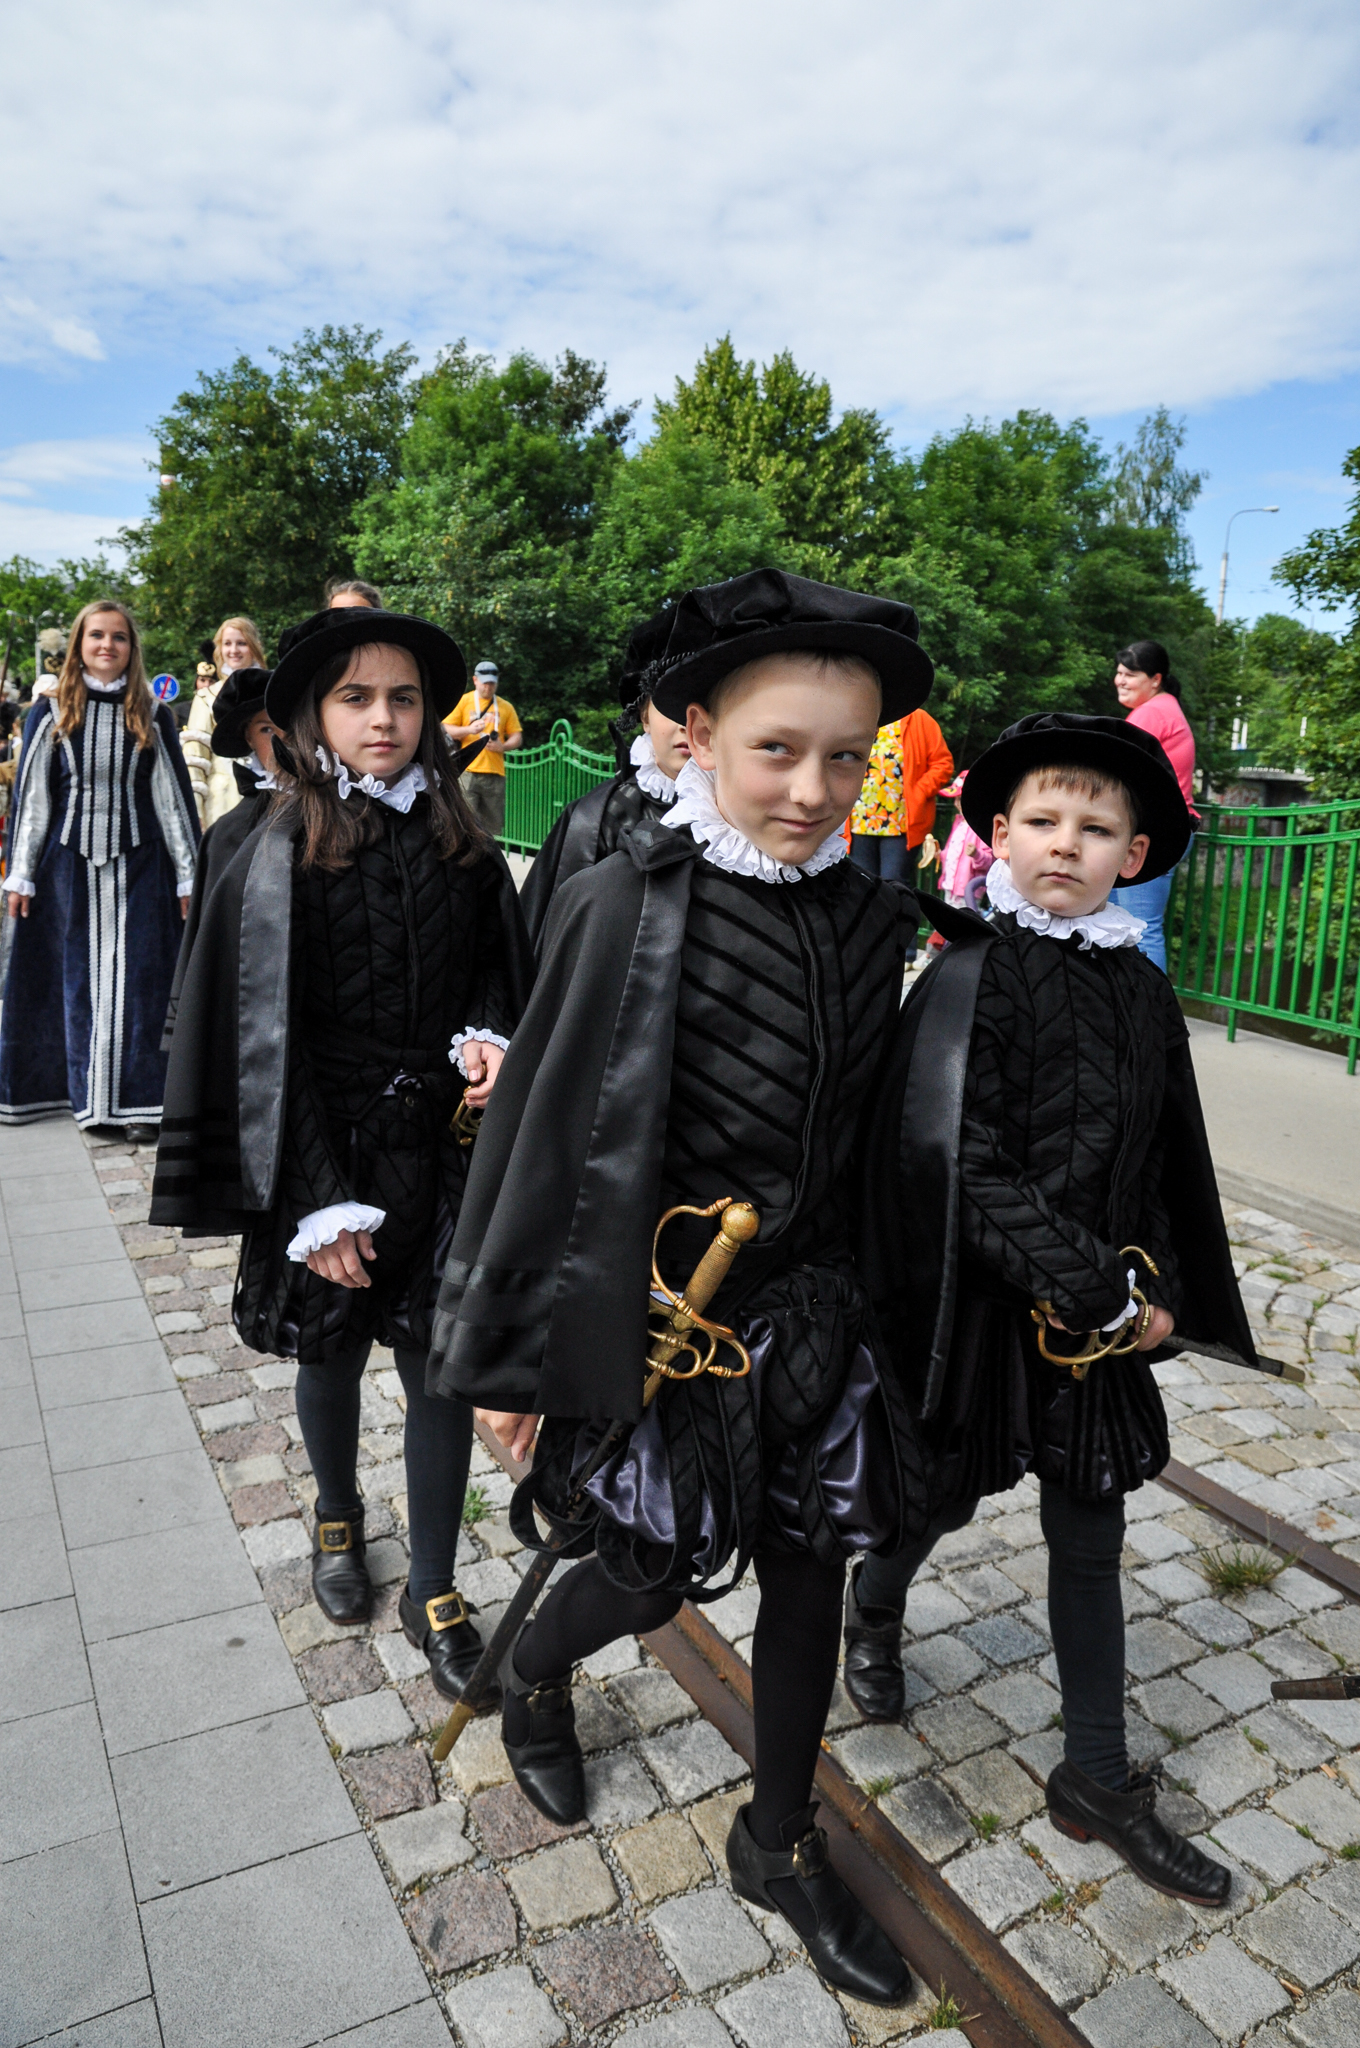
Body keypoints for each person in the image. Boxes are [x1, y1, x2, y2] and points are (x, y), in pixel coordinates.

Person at [428, 569, 937, 2008]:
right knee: (646, 1569)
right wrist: (515, 1368)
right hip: (663, 1320)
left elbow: (872, 1126)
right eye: (778, 749)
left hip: (817, 1310)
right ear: (698, 733)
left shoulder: (869, 914)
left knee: (811, 1570)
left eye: (846, 757)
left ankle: (779, 1841)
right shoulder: (622, 900)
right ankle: (536, 1665)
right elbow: (544, 1142)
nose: (814, 789)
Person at [852, 711, 1260, 1908]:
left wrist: (1159, 1286)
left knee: (1090, 1534)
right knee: (935, 1494)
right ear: (999, 833)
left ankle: (1095, 1774)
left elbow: (1161, 1154)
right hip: (982, 1308)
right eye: (1042, 820)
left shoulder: (1140, 986)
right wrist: (1087, 1279)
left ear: (1133, 854)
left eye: (1095, 828)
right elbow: (956, 1161)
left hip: (1100, 1321)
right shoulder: (970, 972)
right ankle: (873, 1607)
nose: (1067, 843)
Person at [150, 608, 534, 1701]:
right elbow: (267, 1041)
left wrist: (488, 1033)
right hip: (325, 1155)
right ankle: (335, 1515)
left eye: (404, 698)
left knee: (439, 1366)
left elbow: (497, 965)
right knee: (329, 1354)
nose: (384, 718)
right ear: (315, 715)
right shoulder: (274, 844)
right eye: (357, 698)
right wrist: (317, 1202)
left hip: (440, 1152)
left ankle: (435, 1586)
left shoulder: (462, 842)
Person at [0, 600, 198, 1141]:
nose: (107, 645)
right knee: (76, 982)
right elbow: (33, 798)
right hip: (66, 869)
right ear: (79, 644)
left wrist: (189, 875)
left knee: (142, 983)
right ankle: (88, 1098)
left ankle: (137, 1104)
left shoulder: (152, 713)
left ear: (132, 648)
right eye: (97, 635)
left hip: (142, 866)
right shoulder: (51, 710)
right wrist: (21, 873)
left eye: (118, 637)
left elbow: (171, 798)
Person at [518, 614, 688, 949]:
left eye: (705, 705)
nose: (688, 723)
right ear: (644, 716)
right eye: (671, 704)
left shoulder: (757, 819)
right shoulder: (593, 820)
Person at [162, 669, 284, 1044]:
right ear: (248, 737)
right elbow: (211, 954)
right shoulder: (228, 835)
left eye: (290, 725)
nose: (283, 739)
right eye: (266, 729)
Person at [1108, 639, 1199, 972]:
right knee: (1120, 925)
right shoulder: (1166, 707)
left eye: (1130, 674)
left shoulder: (1151, 713)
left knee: (1139, 929)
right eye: (1119, 672)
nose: (1120, 680)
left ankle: (1152, 1005)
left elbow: (1114, 770)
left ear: (1155, 679)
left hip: (1156, 831)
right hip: (1165, 828)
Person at [848, 704, 952, 963]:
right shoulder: (861, 713)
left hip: (901, 823)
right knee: (861, 888)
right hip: (859, 821)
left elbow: (943, 764)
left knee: (894, 886)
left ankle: (903, 953)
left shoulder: (919, 720)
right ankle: (867, 952)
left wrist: (919, 791)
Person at [183, 617, 268, 828]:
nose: (233, 650)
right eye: (227, 643)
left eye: (241, 643)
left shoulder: (272, 691)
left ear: (254, 646)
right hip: (222, 804)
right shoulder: (206, 697)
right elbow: (195, 758)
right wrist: (195, 810)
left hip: (271, 799)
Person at [444, 662, 523, 838]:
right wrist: (468, 730)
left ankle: (488, 853)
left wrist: (503, 746)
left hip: (494, 773)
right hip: (467, 771)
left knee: (492, 828)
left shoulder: (505, 706)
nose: (488, 687)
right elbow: (446, 728)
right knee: (465, 821)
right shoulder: (464, 701)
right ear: (475, 680)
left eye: (492, 683)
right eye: (485, 683)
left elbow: (517, 736)